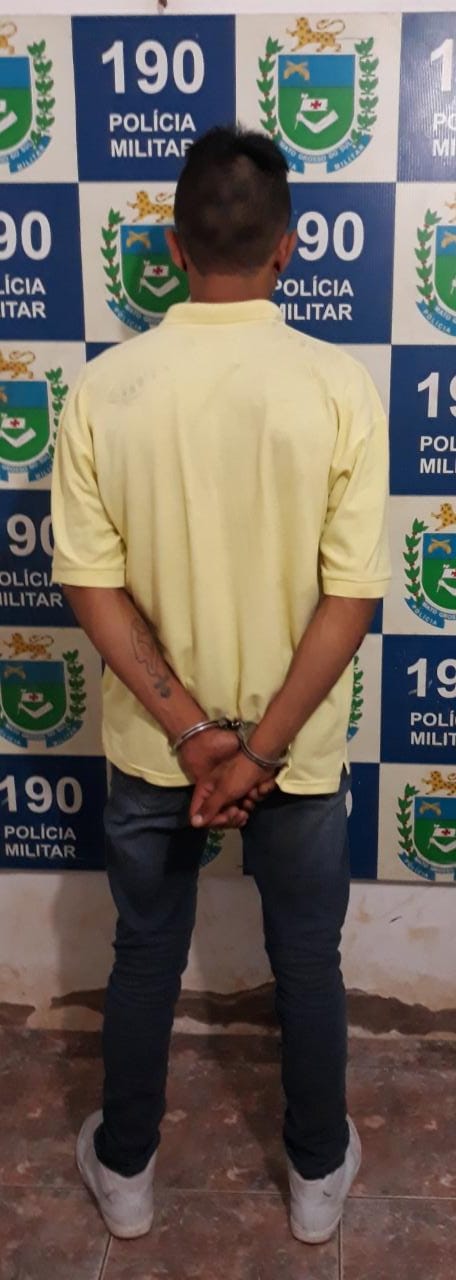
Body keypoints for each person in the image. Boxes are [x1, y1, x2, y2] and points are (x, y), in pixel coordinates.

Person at [51, 126, 390, 1246]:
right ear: (288, 248)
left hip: (161, 750)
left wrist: (197, 736)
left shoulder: (104, 390)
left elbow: (90, 585)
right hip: (297, 753)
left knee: (146, 952)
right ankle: (315, 1175)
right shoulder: (341, 389)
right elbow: (350, 601)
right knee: (308, 961)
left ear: (172, 245)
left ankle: (128, 1173)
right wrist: (258, 751)